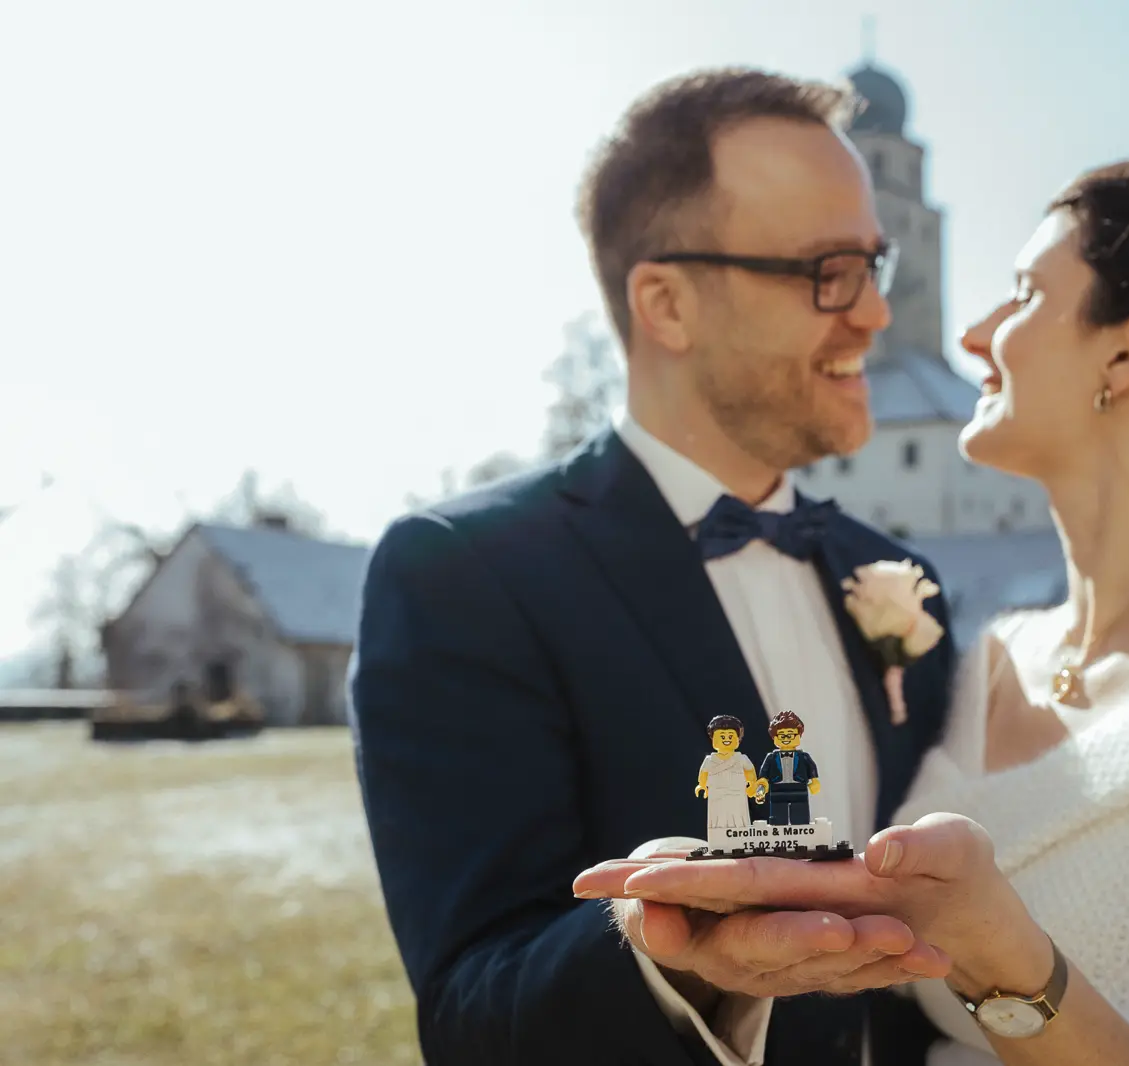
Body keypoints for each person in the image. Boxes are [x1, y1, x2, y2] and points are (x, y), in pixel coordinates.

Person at [576, 155, 1129, 1066]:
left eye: (1024, 295)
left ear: (1128, 349)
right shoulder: (992, 661)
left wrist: (1009, 965)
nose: (972, 334)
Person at [348, 67, 960, 1066]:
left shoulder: (896, 575)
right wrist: (674, 957)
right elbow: (471, 1010)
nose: (873, 316)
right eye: (826, 271)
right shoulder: (463, 572)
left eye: (874, 268)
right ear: (667, 304)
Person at [756, 710, 822, 825]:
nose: (786, 738)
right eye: (781, 735)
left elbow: (812, 770)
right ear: (774, 737)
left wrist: (815, 782)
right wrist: (761, 788)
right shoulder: (771, 758)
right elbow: (763, 776)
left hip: (799, 790)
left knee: (800, 819)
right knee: (777, 820)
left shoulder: (804, 757)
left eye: (790, 734)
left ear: (799, 735)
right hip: (777, 790)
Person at [698, 714, 761, 832]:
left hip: (737, 794)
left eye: (731, 736)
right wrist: (702, 786)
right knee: (718, 821)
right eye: (722, 736)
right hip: (717, 795)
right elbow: (703, 773)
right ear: (713, 739)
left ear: (738, 739)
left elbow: (750, 772)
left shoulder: (741, 759)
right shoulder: (710, 760)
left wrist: (752, 784)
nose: (726, 739)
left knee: (739, 820)